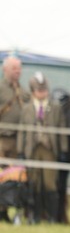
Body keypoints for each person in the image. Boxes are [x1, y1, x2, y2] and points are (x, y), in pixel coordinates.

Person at [16, 72, 66, 224]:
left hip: (49, 150)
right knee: (34, 182)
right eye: (39, 90)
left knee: (50, 183)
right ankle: (35, 215)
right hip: (32, 149)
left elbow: (62, 129)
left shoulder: (55, 108)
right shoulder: (27, 109)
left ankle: (52, 216)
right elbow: (21, 131)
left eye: (44, 90)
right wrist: (20, 151)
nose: (42, 93)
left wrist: (63, 149)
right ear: (33, 91)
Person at [0, 56, 30, 223]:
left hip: (17, 140)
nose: (17, 71)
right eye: (14, 68)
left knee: (12, 177)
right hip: (2, 138)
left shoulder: (22, 90)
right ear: (5, 69)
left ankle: (5, 209)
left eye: (19, 68)